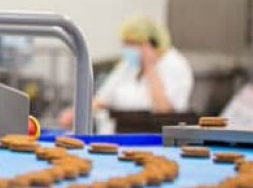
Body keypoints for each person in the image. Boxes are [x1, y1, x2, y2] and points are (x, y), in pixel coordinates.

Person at [59, 15, 193, 127]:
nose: (127, 49)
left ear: (151, 44)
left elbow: (164, 110)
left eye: (132, 43)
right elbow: (104, 98)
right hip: (121, 129)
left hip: (155, 133)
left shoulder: (175, 65)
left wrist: (150, 67)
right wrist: (76, 113)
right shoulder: (129, 65)